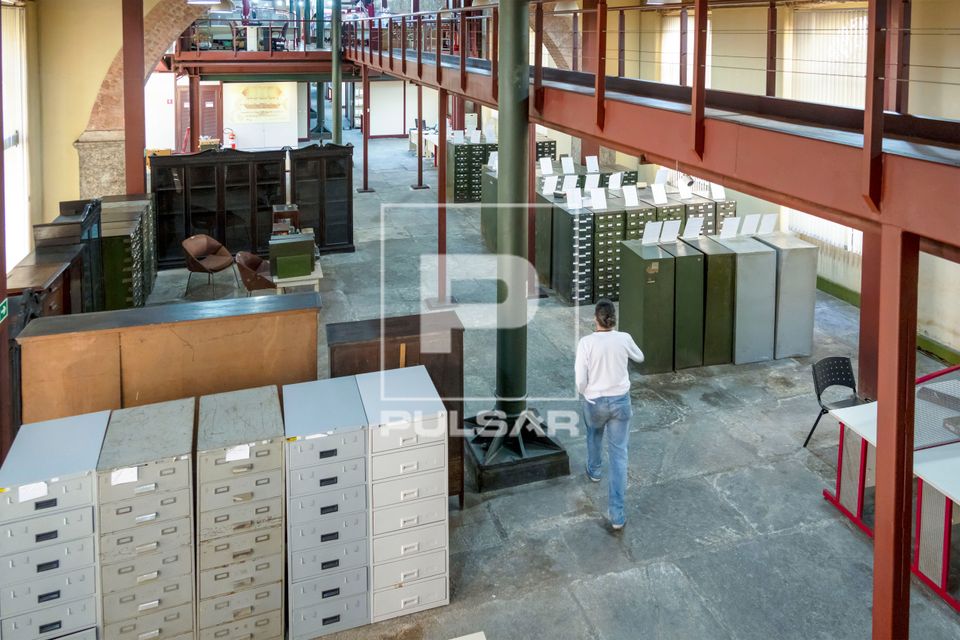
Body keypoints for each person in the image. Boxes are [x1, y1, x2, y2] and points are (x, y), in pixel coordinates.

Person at [575, 298, 644, 531]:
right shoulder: (624, 338)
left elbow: (580, 379)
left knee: (593, 434)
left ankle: (594, 470)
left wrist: (586, 392)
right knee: (619, 455)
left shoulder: (586, 343)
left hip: (595, 401)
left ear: (595, 318)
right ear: (614, 318)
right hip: (621, 402)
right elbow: (639, 357)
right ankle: (617, 514)